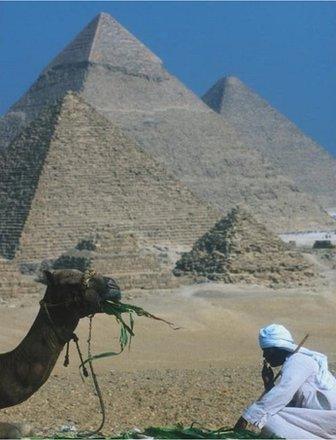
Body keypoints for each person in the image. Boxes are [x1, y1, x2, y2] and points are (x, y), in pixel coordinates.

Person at [234, 324, 336, 438]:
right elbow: (288, 402)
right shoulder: (294, 362)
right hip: (321, 418)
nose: (264, 356)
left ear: (279, 348)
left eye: (268, 351)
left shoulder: (299, 360)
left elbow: (283, 392)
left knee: (270, 420)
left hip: (330, 419)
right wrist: (269, 385)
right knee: (272, 413)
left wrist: (247, 417)